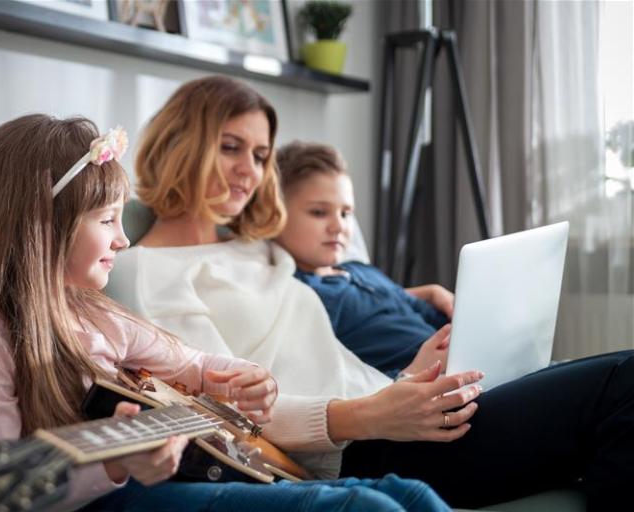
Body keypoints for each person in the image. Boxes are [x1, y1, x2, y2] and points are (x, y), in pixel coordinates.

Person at [106, 75, 634, 511]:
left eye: (262, 155)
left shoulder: (257, 247)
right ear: (180, 144)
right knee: (624, 383)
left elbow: (324, 309)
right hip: (357, 449)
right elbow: (218, 415)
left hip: (391, 412)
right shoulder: (145, 272)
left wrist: (406, 374)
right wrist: (373, 415)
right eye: (230, 147)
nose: (251, 171)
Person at [0, 113, 451, 512]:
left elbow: (194, 365)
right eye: (107, 221)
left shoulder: (98, 315)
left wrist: (234, 378)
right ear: (41, 225)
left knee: (409, 493)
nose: (124, 239)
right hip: (106, 505)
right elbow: (5, 481)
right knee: (367, 507)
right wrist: (115, 461)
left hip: (165, 480)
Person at [275, 140, 452, 377]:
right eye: (319, 212)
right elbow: (344, 387)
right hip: (431, 390)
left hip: (466, 365)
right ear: (275, 214)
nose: (339, 226)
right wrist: (417, 372)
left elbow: (424, 313)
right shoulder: (307, 298)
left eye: (345, 213)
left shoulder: (359, 270)